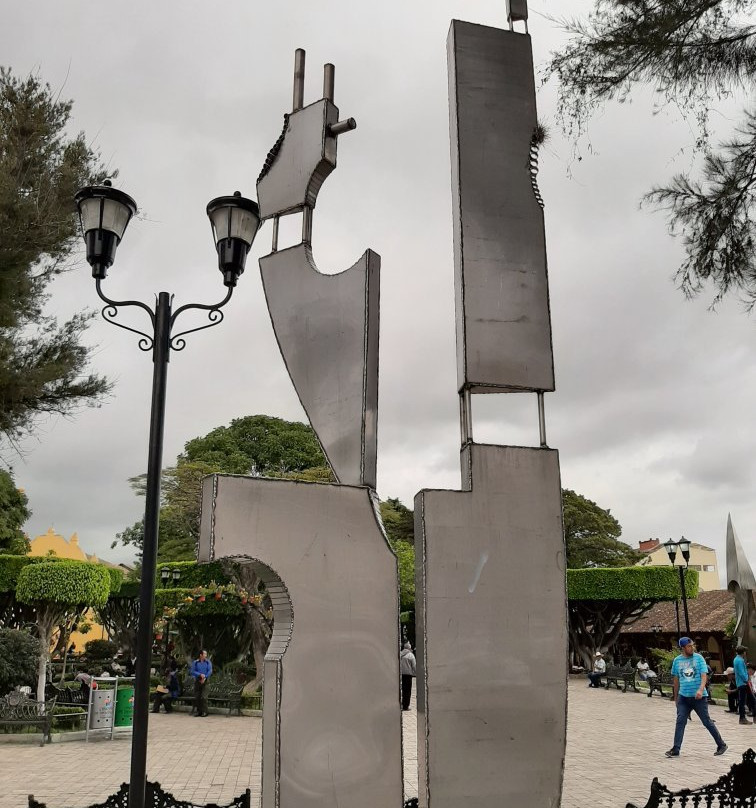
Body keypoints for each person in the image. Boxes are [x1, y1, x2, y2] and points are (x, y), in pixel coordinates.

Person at [665, 637, 727, 758]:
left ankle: (721, 744)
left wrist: (700, 689)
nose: (691, 648)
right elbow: (676, 680)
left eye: (692, 645)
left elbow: (704, 676)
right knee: (680, 721)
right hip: (684, 697)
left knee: (707, 722)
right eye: (689, 646)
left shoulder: (698, 658)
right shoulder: (677, 661)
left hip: (699, 698)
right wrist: (676, 697)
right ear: (682, 648)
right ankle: (676, 748)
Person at [733, 645, 756, 724]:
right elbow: (741, 672)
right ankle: (742, 718)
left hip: (742, 682)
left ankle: (753, 716)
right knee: (745, 700)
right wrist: (746, 680)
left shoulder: (738, 659)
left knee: (750, 700)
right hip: (743, 683)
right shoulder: (739, 660)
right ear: (743, 652)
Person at [190, 650, 212, 717]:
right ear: (201, 655)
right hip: (198, 681)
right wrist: (200, 675)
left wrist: (204, 677)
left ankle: (205, 712)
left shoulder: (208, 662)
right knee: (197, 697)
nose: (206, 655)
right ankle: (199, 712)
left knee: (204, 697)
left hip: (206, 681)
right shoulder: (195, 662)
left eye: (206, 654)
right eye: (205, 654)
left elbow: (210, 671)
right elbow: (192, 671)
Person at [400, 642, 416, 711]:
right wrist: (415, 673)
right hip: (408, 675)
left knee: (402, 690)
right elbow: (414, 666)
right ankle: (406, 706)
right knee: (408, 691)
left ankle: (402, 704)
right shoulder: (411, 655)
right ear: (409, 648)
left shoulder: (400, 654)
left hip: (400, 675)